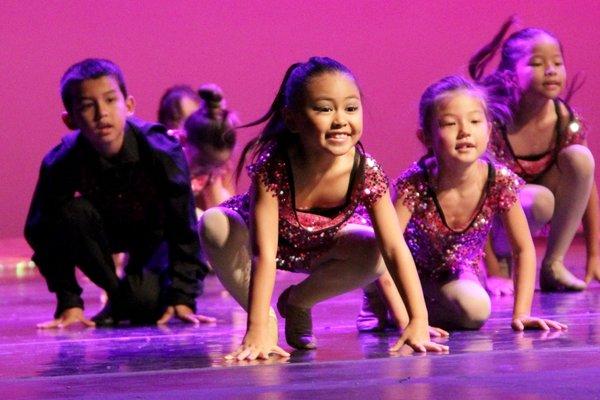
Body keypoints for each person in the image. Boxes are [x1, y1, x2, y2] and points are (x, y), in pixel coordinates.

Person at [199, 57, 448, 360]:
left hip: (323, 248)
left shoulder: (366, 171)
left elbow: (395, 247)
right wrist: (255, 327)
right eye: (324, 109)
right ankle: (266, 319)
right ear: (292, 119)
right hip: (271, 243)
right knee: (213, 224)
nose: (340, 119)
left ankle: (299, 301)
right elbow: (263, 253)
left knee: (376, 252)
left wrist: (417, 320)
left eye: (351, 108)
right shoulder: (274, 167)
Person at [24, 58, 213, 328]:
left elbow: (183, 225)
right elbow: (40, 229)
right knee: (69, 213)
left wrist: (183, 296)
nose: (102, 114)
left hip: (154, 234)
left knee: (144, 307)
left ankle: (129, 298)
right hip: (105, 232)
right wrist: (69, 300)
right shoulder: (63, 160)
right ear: (70, 120)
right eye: (88, 106)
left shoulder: (161, 150)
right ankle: (117, 293)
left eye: (111, 101)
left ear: (130, 105)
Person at [392, 75, 567, 331]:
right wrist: (407, 321)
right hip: (409, 274)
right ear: (426, 137)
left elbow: (523, 250)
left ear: (489, 129)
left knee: (476, 310)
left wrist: (521, 313)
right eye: (450, 123)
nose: (465, 131)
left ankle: (429, 309)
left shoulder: (498, 180)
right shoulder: (415, 184)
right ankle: (392, 307)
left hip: (459, 271)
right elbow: (386, 252)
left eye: (475, 121)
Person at [469, 17, 599, 291]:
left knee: (580, 158)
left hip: (540, 207)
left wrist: (594, 255)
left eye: (557, 63)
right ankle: (502, 261)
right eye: (536, 64)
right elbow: (476, 196)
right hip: (496, 222)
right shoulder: (494, 120)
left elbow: (589, 192)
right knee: (537, 200)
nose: (550, 71)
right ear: (509, 74)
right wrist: (494, 270)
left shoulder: (564, 118)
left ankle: (553, 264)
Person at [183, 84, 239, 215]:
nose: (211, 170)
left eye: (218, 165)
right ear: (185, 140)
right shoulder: (170, 157)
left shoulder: (219, 172)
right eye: (203, 164)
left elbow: (226, 210)